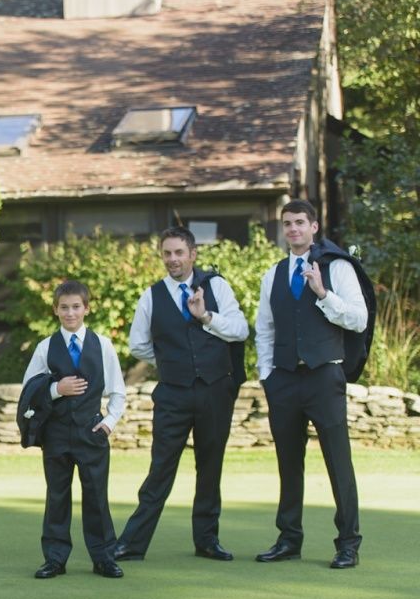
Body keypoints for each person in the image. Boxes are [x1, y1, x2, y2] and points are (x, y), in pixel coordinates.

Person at [114, 226, 249, 563]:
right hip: (173, 394)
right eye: (167, 253)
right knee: (161, 468)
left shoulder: (216, 286)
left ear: (193, 254)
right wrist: (171, 362)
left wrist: (205, 317)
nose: (172, 259)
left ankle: (207, 540)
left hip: (215, 391)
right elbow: (138, 344)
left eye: (178, 253)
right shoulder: (151, 295)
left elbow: (240, 329)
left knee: (210, 466)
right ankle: (132, 543)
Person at [254, 199, 367, 569]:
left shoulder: (337, 269)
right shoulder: (273, 274)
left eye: (300, 222)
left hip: (324, 376)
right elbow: (265, 329)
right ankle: (289, 539)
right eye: (287, 224)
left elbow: (359, 319)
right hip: (283, 380)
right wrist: (266, 375)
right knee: (288, 462)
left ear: (314, 227)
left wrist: (323, 294)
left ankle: (348, 543)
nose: (293, 230)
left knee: (338, 461)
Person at [21, 281, 127, 579]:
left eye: (76, 307)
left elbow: (118, 391)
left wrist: (108, 424)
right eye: (64, 307)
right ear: (55, 310)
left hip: (92, 433)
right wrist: (56, 389)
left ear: (86, 308)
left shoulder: (103, 345)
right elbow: (29, 390)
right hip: (55, 435)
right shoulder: (45, 347)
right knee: (57, 496)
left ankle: (104, 557)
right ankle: (55, 558)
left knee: (96, 495)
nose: (70, 313)